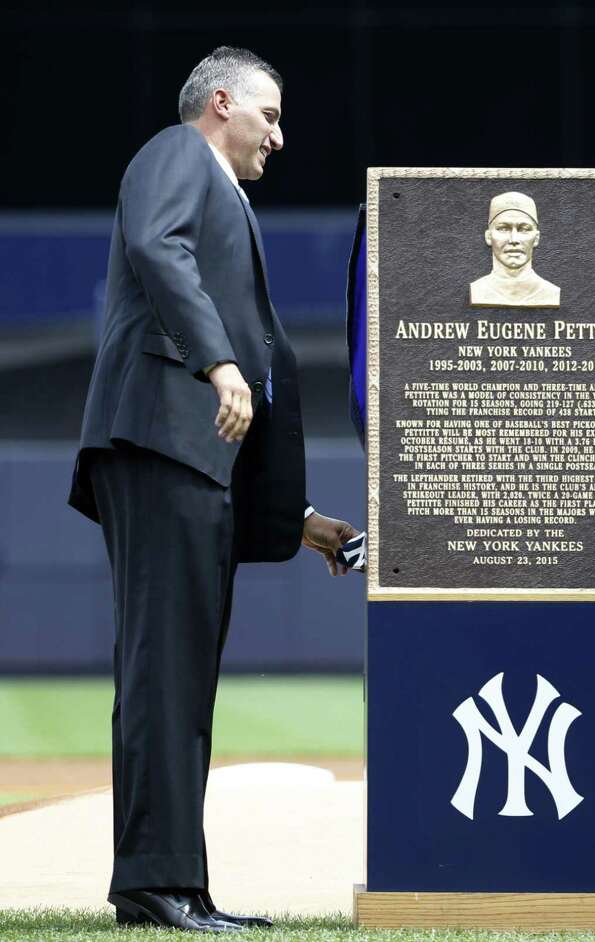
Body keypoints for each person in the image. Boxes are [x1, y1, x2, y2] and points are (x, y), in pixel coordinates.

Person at [68, 46, 359, 933]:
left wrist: (296, 517)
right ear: (220, 102)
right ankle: (153, 884)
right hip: (158, 440)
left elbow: (247, 354)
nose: (279, 134)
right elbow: (158, 249)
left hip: (194, 458)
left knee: (183, 676)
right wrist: (220, 360)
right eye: (268, 115)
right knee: (164, 670)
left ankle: (177, 885)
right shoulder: (173, 153)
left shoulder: (227, 195)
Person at [469, 192, 561, 308]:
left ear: (536, 238)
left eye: (524, 229)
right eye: (503, 229)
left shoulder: (550, 292)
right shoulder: (478, 290)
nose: (514, 239)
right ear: (488, 237)